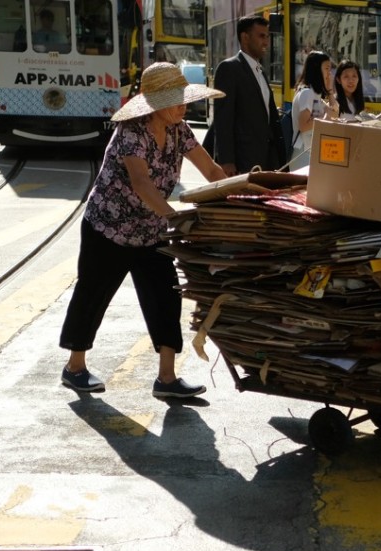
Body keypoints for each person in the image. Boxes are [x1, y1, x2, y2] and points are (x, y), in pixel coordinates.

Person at [59, 62, 227, 398]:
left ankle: (166, 379)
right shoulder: (132, 132)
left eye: (184, 99)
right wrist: (176, 218)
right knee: (93, 293)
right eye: (176, 100)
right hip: (108, 228)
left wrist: (240, 194)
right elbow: (141, 184)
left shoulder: (180, 130)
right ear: (156, 103)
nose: (183, 106)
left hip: (150, 231)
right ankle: (75, 367)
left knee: (165, 295)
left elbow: (210, 168)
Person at [204, 15, 285, 175]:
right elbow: (223, 119)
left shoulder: (260, 71)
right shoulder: (229, 69)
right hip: (242, 162)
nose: (266, 42)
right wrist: (227, 161)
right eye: (261, 36)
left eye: (267, 36)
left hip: (265, 161)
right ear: (245, 37)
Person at [290, 50, 338, 171]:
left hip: (311, 152)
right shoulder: (307, 93)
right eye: (327, 68)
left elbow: (335, 112)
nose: (329, 73)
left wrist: (330, 90)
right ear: (317, 69)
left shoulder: (314, 94)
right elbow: (304, 125)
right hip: (302, 154)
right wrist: (325, 118)